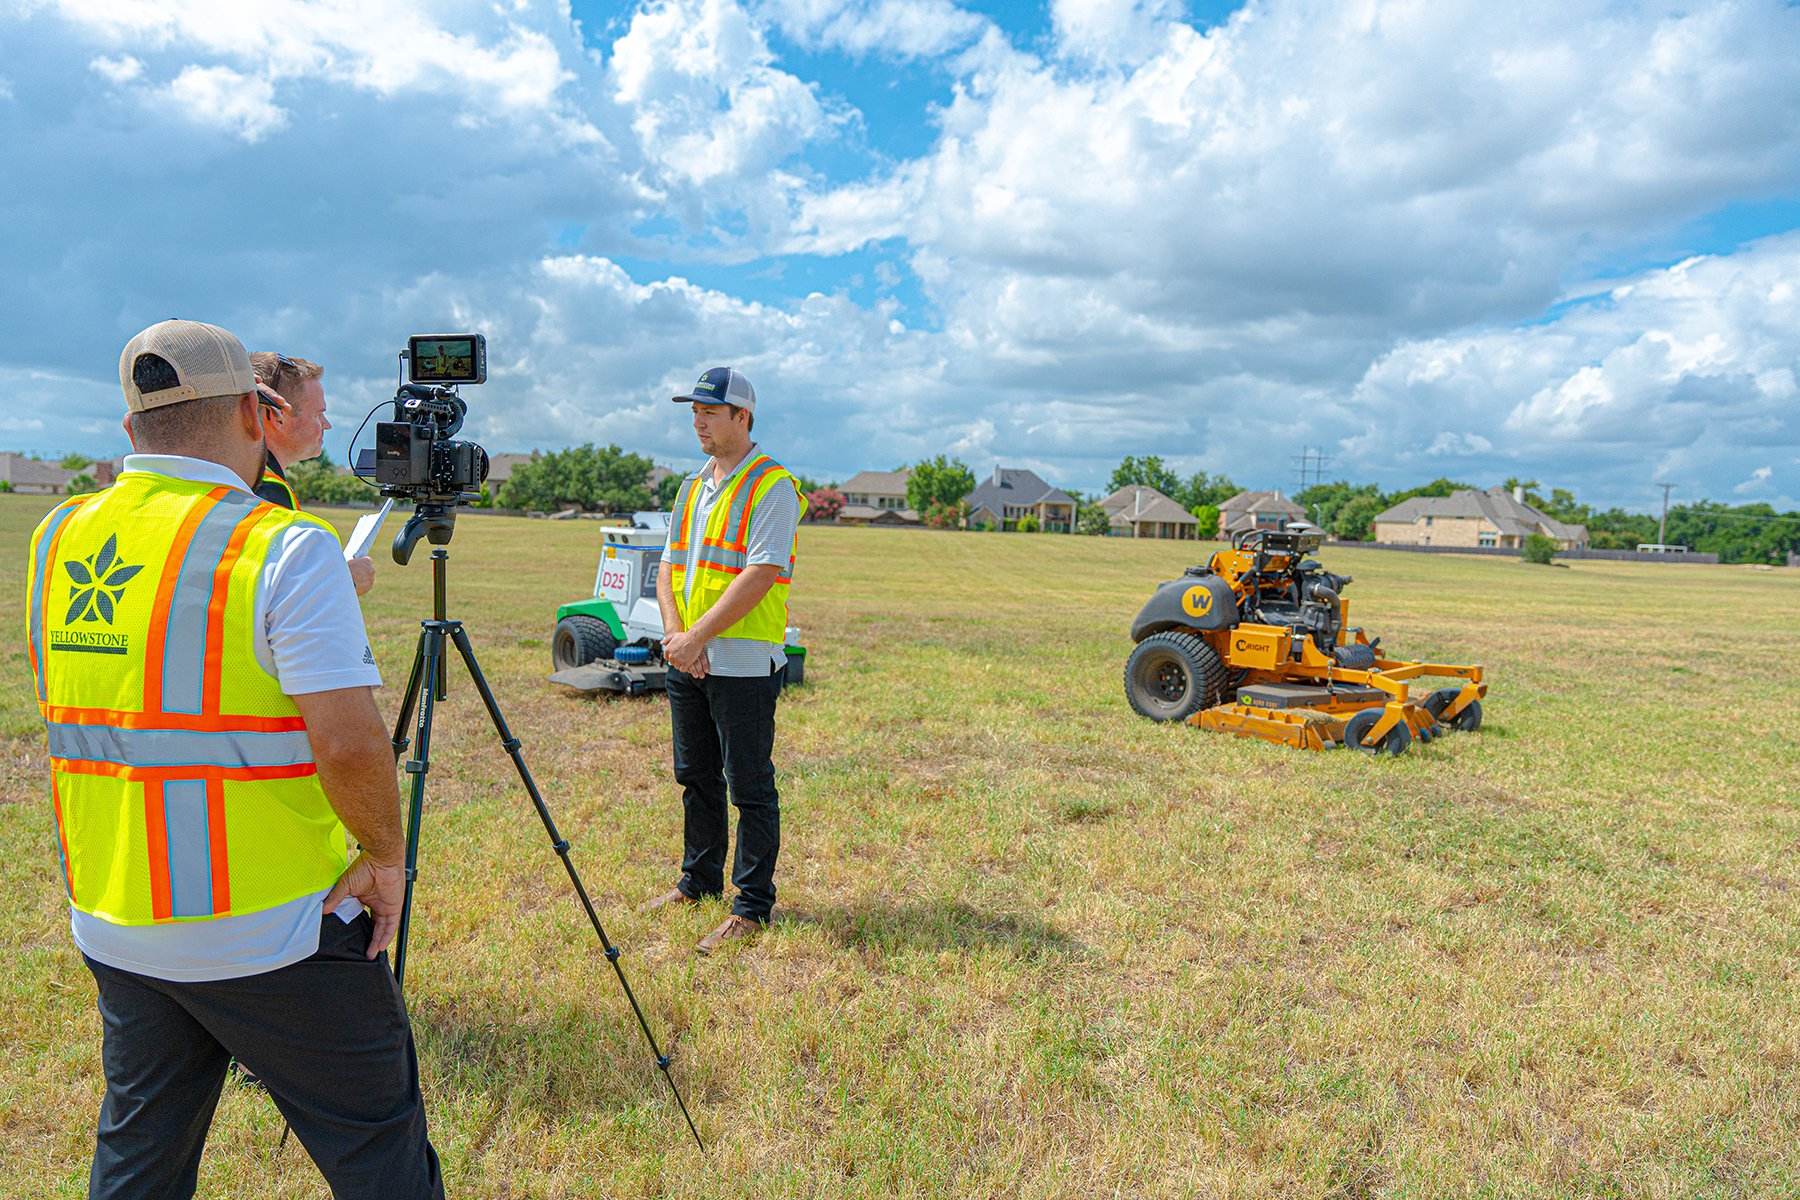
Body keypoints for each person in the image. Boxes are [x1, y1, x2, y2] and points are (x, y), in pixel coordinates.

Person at [26, 319, 442, 1198]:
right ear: (258, 417)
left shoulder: (57, 536)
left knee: (139, 1162)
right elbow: (348, 738)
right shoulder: (284, 546)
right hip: (272, 925)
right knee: (380, 1157)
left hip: (115, 917)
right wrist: (386, 859)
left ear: (133, 428)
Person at [643, 367, 807, 955]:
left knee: (750, 786)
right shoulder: (692, 486)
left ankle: (752, 907)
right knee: (695, 778)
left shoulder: (772, 486)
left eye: (710, 413)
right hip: (686, 656)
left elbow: (762, 575)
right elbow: (667, 567)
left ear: (743, 417)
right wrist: (675, 637)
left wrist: (697, 639)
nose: (699, 422)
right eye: (694, 412)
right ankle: (698, 881)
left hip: (741, 661)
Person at [248, 350, 375, 596]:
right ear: (275, 416)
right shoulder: (264, 488)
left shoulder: (238, 473)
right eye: (318, 414)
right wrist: (344, 580)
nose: (327, 424)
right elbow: (275, 594)